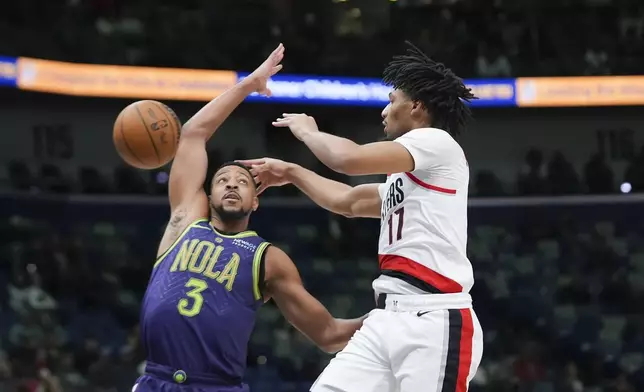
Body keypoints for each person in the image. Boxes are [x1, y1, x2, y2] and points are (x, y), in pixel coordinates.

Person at [240, 42, 483, 392]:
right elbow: (349, 201)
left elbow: (348, 160)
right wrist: (292, 172)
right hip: (385, 319)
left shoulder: (436, 142)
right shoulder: (411, 178)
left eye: (391, 100)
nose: (384, 111)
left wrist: (308, 132)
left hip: (433, 319)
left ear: (416, 106)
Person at [133, 44, 365, 392]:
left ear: (255, 201)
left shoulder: (268, 260)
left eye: (242, 182)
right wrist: (249, 84)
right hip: (157, 380)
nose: (231, 184)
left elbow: (329, 334)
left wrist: (386, 316)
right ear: (207, 196)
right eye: (222, 180)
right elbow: (193, 135)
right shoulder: (185, 222)